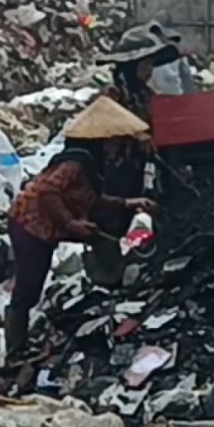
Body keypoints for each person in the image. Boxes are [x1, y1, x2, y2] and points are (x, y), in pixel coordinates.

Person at [5, 95, 157, 356]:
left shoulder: (89, 166)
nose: (114, 149)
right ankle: (14, 350)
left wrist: (129, 203)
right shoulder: (73, 164)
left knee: (100, 238)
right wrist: (71, 222)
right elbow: (48, 192)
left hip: (47, 225)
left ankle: (112, 283)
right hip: (30, 225)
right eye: (112, 143)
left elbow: (93, 199)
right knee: (28, 289)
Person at [90, 22, 182, 284]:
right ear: (130, 67)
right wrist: (135, 134)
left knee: (137, 216)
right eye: (145, 65)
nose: (149, 71)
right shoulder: (111, 95)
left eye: (151, 65)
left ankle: (132, 266)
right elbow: (105, 124)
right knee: (110, 220)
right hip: (110, 171)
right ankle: (107, 275)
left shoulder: (146, 95)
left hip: (137, 168)